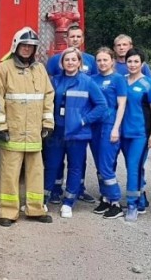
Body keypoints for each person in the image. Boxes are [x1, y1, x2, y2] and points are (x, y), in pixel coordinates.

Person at [0, 27, 54, 227]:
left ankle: (35, 209)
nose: (27, 49)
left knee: (36, 172)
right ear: (16, 46)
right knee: (9, 173)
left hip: (35, 132)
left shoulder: (40, 69)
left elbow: (48, 96)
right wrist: (0, 126)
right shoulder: (3, 69)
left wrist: (47, 123)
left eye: (31, 46)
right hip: (12, 132)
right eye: (24, 45)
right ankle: (7, 212)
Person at [44, 47, 106, 218]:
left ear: (79, 62)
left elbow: (101, 105)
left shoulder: (88, 81)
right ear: (62, 63)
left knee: (75, 167)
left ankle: (68, 202)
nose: (70, 62)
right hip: (57, 131)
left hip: (78, 133)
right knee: (51, 166)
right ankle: (43, 199)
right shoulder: (55, 81)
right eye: (67, 60)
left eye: (73, 59)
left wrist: (84, 120)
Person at [46, 24, 98, 205]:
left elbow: (98, 99)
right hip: (58, 126)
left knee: (77, 163)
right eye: (72, 36)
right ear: (66, 39)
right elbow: (47, 92)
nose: (75, 39)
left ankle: (76, 193)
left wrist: (84, 119)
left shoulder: (91, 62)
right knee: (54, 162)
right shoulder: (53, 62)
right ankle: (54, 191)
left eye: (78, 36)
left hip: (77, 127)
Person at [120, 48, 151, 222]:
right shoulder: (121, 81)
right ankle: (141, 199)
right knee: (133, 168)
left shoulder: (149, 83)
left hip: (140, 134)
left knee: (134, 167)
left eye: (136, 61)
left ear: (142, 64)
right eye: (130, 61)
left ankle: (132, 205)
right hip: (122, 133)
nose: (133, 65)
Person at [90, 47, 127, 219]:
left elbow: (121, 106)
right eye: (99, 60)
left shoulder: (118, 79)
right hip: (95, 127)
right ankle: (104, 198)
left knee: (106, 165)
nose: (102, 63)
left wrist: (115, 128)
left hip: (109, 125)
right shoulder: (93, 79)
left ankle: (116, 203)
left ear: (112, 61)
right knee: (99, 166)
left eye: (105, 60)